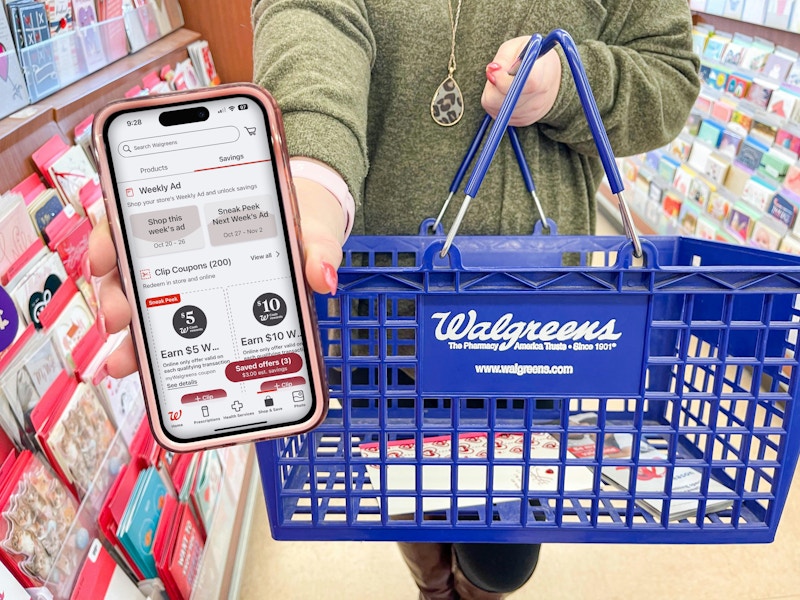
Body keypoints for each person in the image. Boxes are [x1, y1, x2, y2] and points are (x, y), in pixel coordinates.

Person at [89, 1, 700, 598]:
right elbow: (315, 25)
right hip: (382, 314)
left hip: (539, 324)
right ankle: (433, 588)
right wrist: (306, 187)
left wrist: (567, 85)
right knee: (412, 503)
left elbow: (667, 75)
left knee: (504, 558)